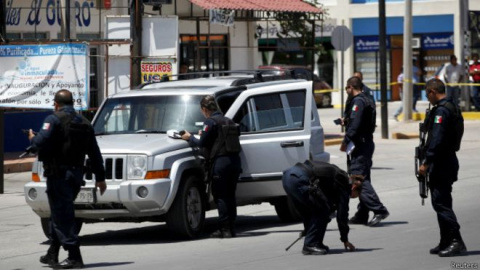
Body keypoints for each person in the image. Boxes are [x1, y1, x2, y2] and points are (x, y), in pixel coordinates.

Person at [28, 89, 106, 269]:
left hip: (59, 175)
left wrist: (33, 138)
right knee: (59, 214)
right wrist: (100, 178)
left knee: (63, 216)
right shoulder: (85, 123)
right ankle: (52, 254)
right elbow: (95, 153)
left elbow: (39, 143)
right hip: (76, 176)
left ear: (56, 103)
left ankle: (74, 256)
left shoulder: (53, 119)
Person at [181, 95, 242, 238]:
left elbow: (201, 143)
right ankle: (231, 228)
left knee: (221, 196)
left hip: (220, 163)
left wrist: (189, 137)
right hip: (234, 162)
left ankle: (224, 230)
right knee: (230, 196)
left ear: (204, 109)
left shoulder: (210, 121)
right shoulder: (229, 120)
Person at [419, 78, 466, 257]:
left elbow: (437, 140)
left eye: (427, 94)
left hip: (441, 162)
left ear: (432, 91)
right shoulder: (451, 106)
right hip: (446, 160)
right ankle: (445, 240)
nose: (427, 97)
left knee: (441, 203)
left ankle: (456, 241)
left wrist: (426, 162)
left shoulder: (442, 111)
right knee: (441, 202)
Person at [282, 160, 359, 255]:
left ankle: (314, 242)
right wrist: (345, 239)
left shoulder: (337, 176)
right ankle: (311, 244)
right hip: (299, 179)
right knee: (322, 211)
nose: (350, 197)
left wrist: (309, 229)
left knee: (312, 210)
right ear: (354, 187)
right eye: (354, 195)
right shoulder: (344, 184)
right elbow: (342, 215)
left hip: (288, 177)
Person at [340, 76, 389, 227]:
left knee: (358, 178)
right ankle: (362, 213)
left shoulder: (358, 101)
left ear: (350, 87)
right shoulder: (366, 99)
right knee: (363, 177)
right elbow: (359, 121)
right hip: (364, 143)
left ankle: (379, 210)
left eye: (346, 89)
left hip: (360, 145)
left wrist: (345, 140)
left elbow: (355, 126)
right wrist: (346, 121)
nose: (346, 91)